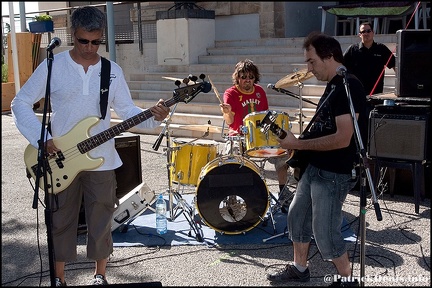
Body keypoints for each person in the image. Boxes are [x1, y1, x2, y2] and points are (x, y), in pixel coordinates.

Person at [11, 6, 170, 287]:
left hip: (102, 159)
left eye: (96, 42)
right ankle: (59, 279)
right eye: (84, 41)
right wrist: (41, 138)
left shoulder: (111, 70)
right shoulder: (53, 66)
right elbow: (20, 103)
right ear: (73, 35)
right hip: (60, 157)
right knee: (61, 222)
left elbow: (126, 110)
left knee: (101, 223)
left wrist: (153, 117)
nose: (90, 48)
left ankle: (100, 276)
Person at [266, 32, 367, 287]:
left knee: (326, 233)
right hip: (316, 166)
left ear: (329, 56)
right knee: (297, 217)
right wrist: (299, 148)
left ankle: (348, 280)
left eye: (311, 62)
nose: (308, 69)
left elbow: (343, 138)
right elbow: (324, 128)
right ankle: (300, 268)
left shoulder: (348, 85)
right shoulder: (333, 84)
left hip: (333, 172)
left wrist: (298, 144)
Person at [219, 59, 291, 211]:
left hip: (261, 137)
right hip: (239, 136)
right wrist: (226, 112)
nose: (247, 80)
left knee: (284, 156)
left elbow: (265, 116)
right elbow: (230, 121)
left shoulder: (259, 92)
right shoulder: (230, 93)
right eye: (244, 77)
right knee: (231, 160)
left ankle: (283, 193)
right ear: (237, 77)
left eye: (251, 77)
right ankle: (233, 198)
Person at [343, 22, 396, 96]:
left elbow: (395, 66)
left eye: (368, 31)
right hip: (356, 92)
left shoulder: (381, 49)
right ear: (359, 35)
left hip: (376, 93)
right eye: (363, 32)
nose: (366, 33)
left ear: (373, 32)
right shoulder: (352, 49)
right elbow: (341, 67)